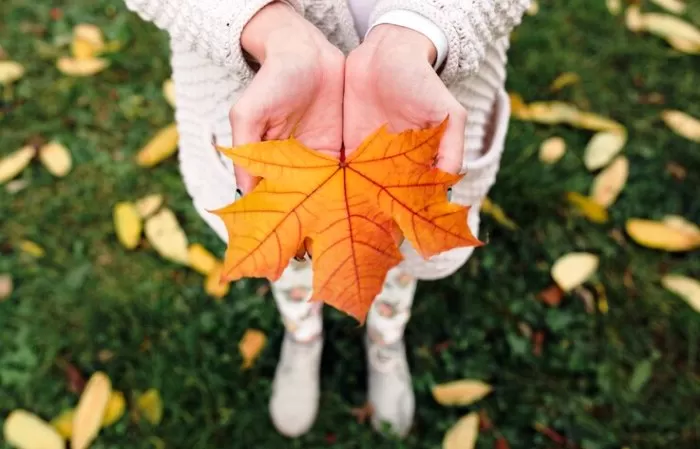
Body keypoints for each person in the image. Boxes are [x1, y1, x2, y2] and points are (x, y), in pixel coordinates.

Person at [124, 0, 530, 439]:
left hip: (421, 106)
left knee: (400, 256)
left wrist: (419, 31)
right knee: (287, 260)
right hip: (260, 108)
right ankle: (303, 334)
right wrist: (268, 28)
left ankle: (385, 335)